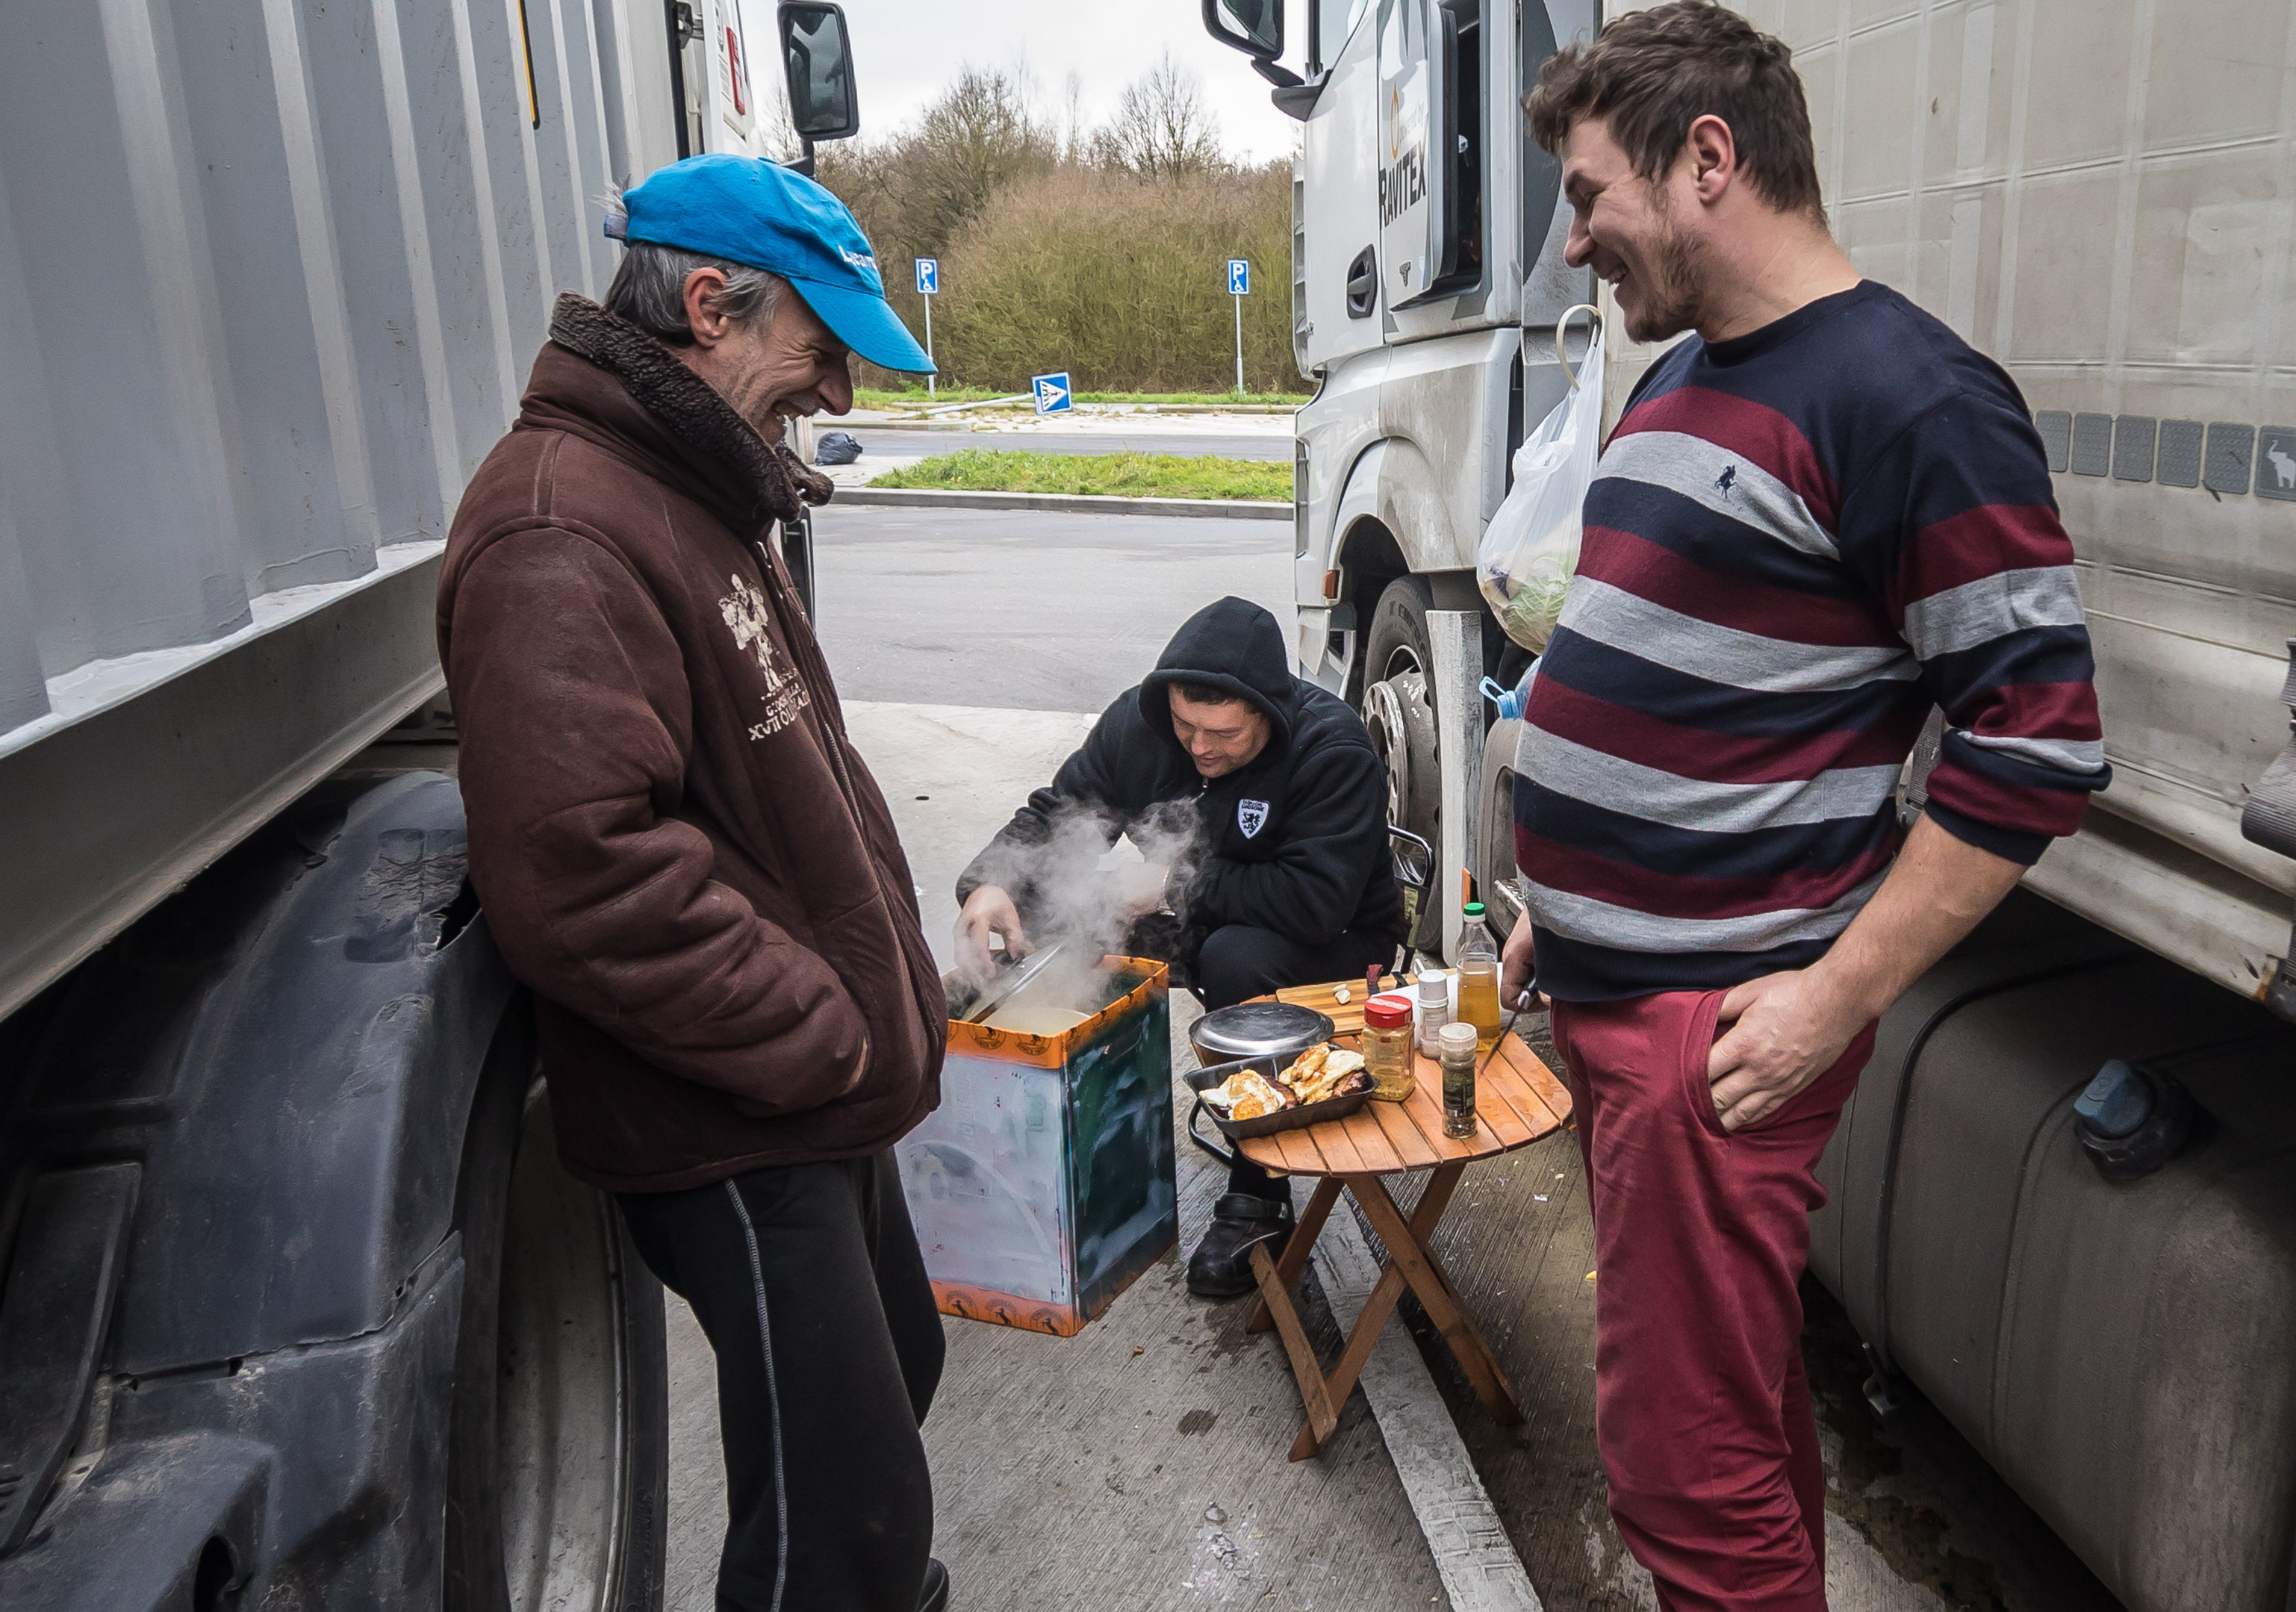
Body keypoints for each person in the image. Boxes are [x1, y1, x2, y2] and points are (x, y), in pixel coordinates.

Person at [1504, 7, 2112, 1608]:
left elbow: (2033, 744)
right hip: (1615, 995)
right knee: (1733, 1409)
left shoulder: (1915, 399)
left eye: (1585, 196)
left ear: (1708, 158)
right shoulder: (1682, 381)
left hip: (1712, 1037)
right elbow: (1663, 671)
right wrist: (1547, 908)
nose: (1573, 246)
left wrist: (1835, 994)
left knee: (1681, 1471)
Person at [438, 155, 952, 1612]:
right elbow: (580, 872)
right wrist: (822, 1023)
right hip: (730, 1111)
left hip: (803, 1088)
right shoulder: (561, 523)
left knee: (889, 1380)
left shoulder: (685, 485)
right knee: (842, 1519)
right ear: (712, 304)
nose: (840, 391)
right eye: (822, 347)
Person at [953, 597, 1406, 1298]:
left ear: (1270, 712)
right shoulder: (1140, 724)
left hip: (1338, 946)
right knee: (1051, 908)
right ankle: (1028, 1136)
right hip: (1199, 915)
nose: (1199, 746)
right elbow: (1059, 811)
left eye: (1222, 732)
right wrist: (993, 883)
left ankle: (1259, 1195)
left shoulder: (1331, 751)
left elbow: (1315, 904)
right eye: (1186, 724)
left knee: (1237, 959)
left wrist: (1169, 881)